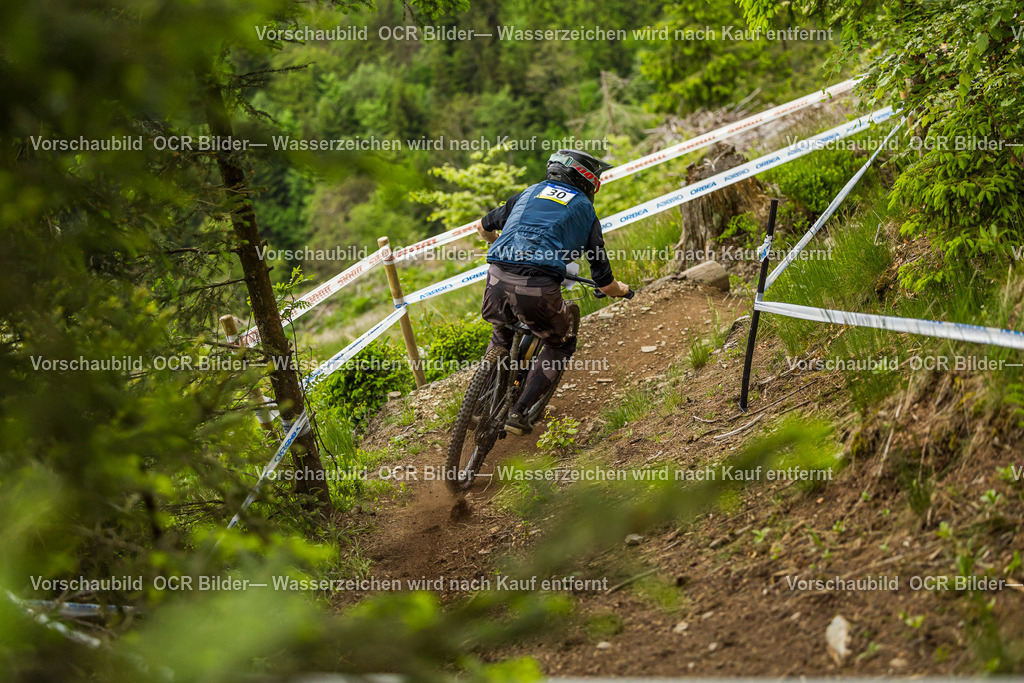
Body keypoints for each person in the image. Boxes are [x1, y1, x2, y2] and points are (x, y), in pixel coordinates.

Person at [469, 149, 632, 436]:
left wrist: (500, 244)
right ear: (585, 178)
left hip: (495, 275)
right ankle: (518, 414)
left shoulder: (530, 192)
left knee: (501, 334)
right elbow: (604, 281)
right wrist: (621, 291)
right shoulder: (584, 209)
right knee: (561, 343)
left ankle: (478, 404)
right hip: (537, 285)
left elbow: (482, 227)